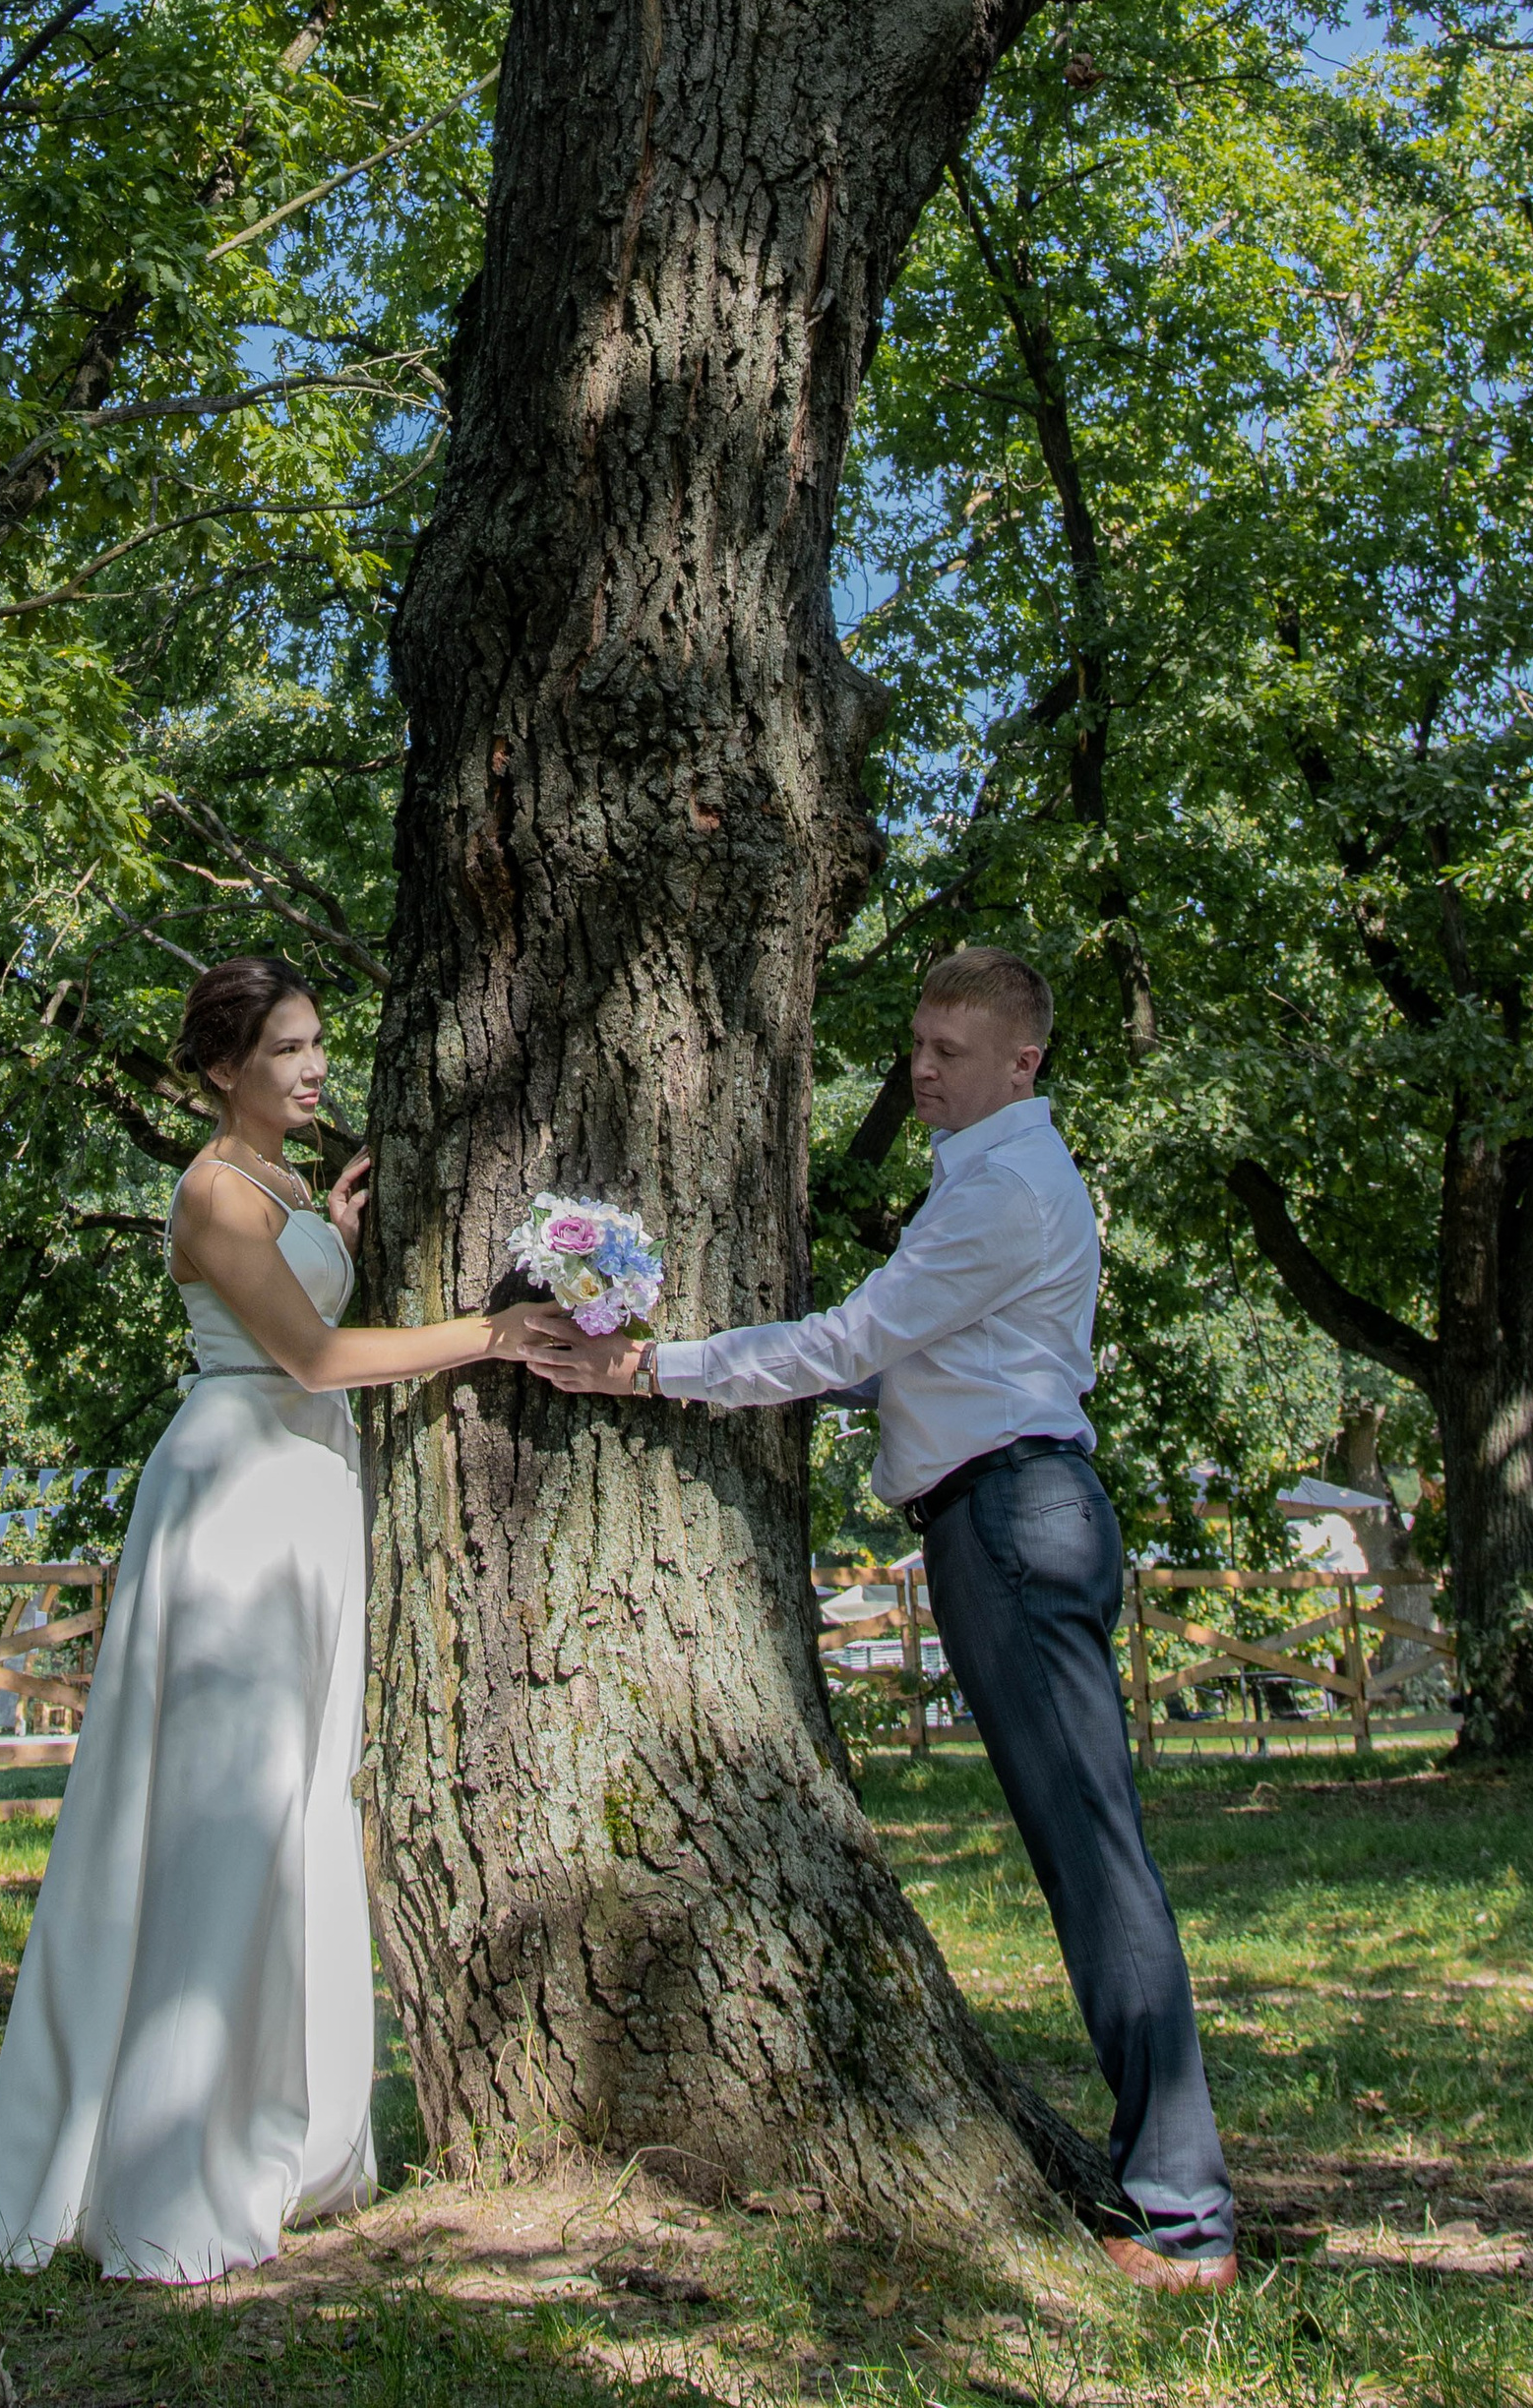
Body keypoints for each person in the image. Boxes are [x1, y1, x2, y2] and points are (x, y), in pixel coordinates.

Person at [519, 943, 1238, 2293]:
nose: (920, 1068)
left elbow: (856, 1345)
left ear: (1023, 1060)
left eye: (951, 1051)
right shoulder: (984, 1178)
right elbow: (903, 1361)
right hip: (1004, 1515)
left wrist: (655, 1370)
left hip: (1016, 1527)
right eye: (917, 1044)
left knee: (1094, 1856)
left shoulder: (1005, 1189)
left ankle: (1187, 2219)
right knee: (1090, 1851)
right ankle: (1178, 2197)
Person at [0, 951, 544, 2285]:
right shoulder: (215, 1191)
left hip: (305, 1496)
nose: (313, 1067)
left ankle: (288, 2125)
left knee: (294, 1809)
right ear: (223, 1068)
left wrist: (328, 1238)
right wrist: (489, 1333)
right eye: (284, 1050)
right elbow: (316, 1359)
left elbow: (308, 1311)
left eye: (317, 1042)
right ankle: (171, 2178)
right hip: (235, 1503)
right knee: (221, 1819)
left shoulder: (278, 1190)